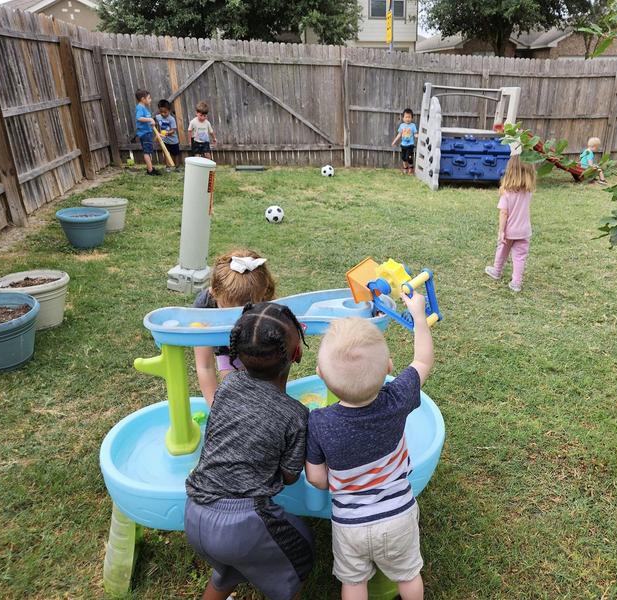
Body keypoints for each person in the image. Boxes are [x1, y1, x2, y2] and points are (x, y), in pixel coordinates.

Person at [305, 292, 434, 600]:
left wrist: (330, 484)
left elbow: (316, 479)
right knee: (408, 575)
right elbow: (423, 360)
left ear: (321, 376)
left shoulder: (319, 423)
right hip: (398, 515)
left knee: (353, 583)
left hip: (350, 524)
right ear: (388, 367)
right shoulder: (397, 399)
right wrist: (417, 315)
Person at [185, 302, 313, 600]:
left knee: (230, 568)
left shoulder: (226, 389)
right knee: (300, 554)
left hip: (194, 513)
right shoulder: (295, 415)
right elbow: (291, 477)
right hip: (244, 523)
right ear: (297, 354)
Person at [193, 249, 276, 407]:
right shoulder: (204, 307)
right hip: (226, 349)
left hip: (258, 344)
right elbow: (205, 366)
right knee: (232, 386)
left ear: (263, 294)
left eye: (244, 312)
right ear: (214, 292)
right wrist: (216, 409)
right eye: (227, 311)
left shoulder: (266, 304)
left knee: (262, 390)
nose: (235, 321)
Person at [484, 156, 536, 292]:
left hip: (509, 231)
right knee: (520, 257)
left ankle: (497, 270)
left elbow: (503, 213)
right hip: (524, 231)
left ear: (510, 171)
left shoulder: (506, 193)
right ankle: (516, 283)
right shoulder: (528, 192)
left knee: (502, 250)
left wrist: (501, 231)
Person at [134, 89, 160, 176]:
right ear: (142, 99)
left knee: (148, 151)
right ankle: (150, 170)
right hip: (145, 134)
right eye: (149, 98)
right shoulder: (140, 108)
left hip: (147, 132)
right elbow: (139, 118)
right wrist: (150, 119)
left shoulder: (143, 108)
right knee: (147, 152)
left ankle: (151, 167)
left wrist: (151, 123)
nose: (150, 100)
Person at [155, 99, 181, 170]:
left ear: (169, 111)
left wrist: (166, 133)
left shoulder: (171, 119)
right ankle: (168, 167)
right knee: (166, 154)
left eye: (165, 112)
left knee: (176, 154)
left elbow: (173, 130)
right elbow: (155, 123)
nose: (163, 114)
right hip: (165, 140)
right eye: (161, 112)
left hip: (173, 141)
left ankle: (177, 167)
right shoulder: (158, 117)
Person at [391, 108, 418, 174]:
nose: (407, 119)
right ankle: (405, 168)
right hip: (403, 145)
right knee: (403, 157)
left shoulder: (413, 126)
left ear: (412, 118)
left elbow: (415, 134)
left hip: (410, 145)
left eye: (409, 117)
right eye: (406, 117)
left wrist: (417, 136)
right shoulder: (402, 126)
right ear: (403, 118)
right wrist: (394, 141)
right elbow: (399, 135)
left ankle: (411, 168)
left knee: (409, 157)